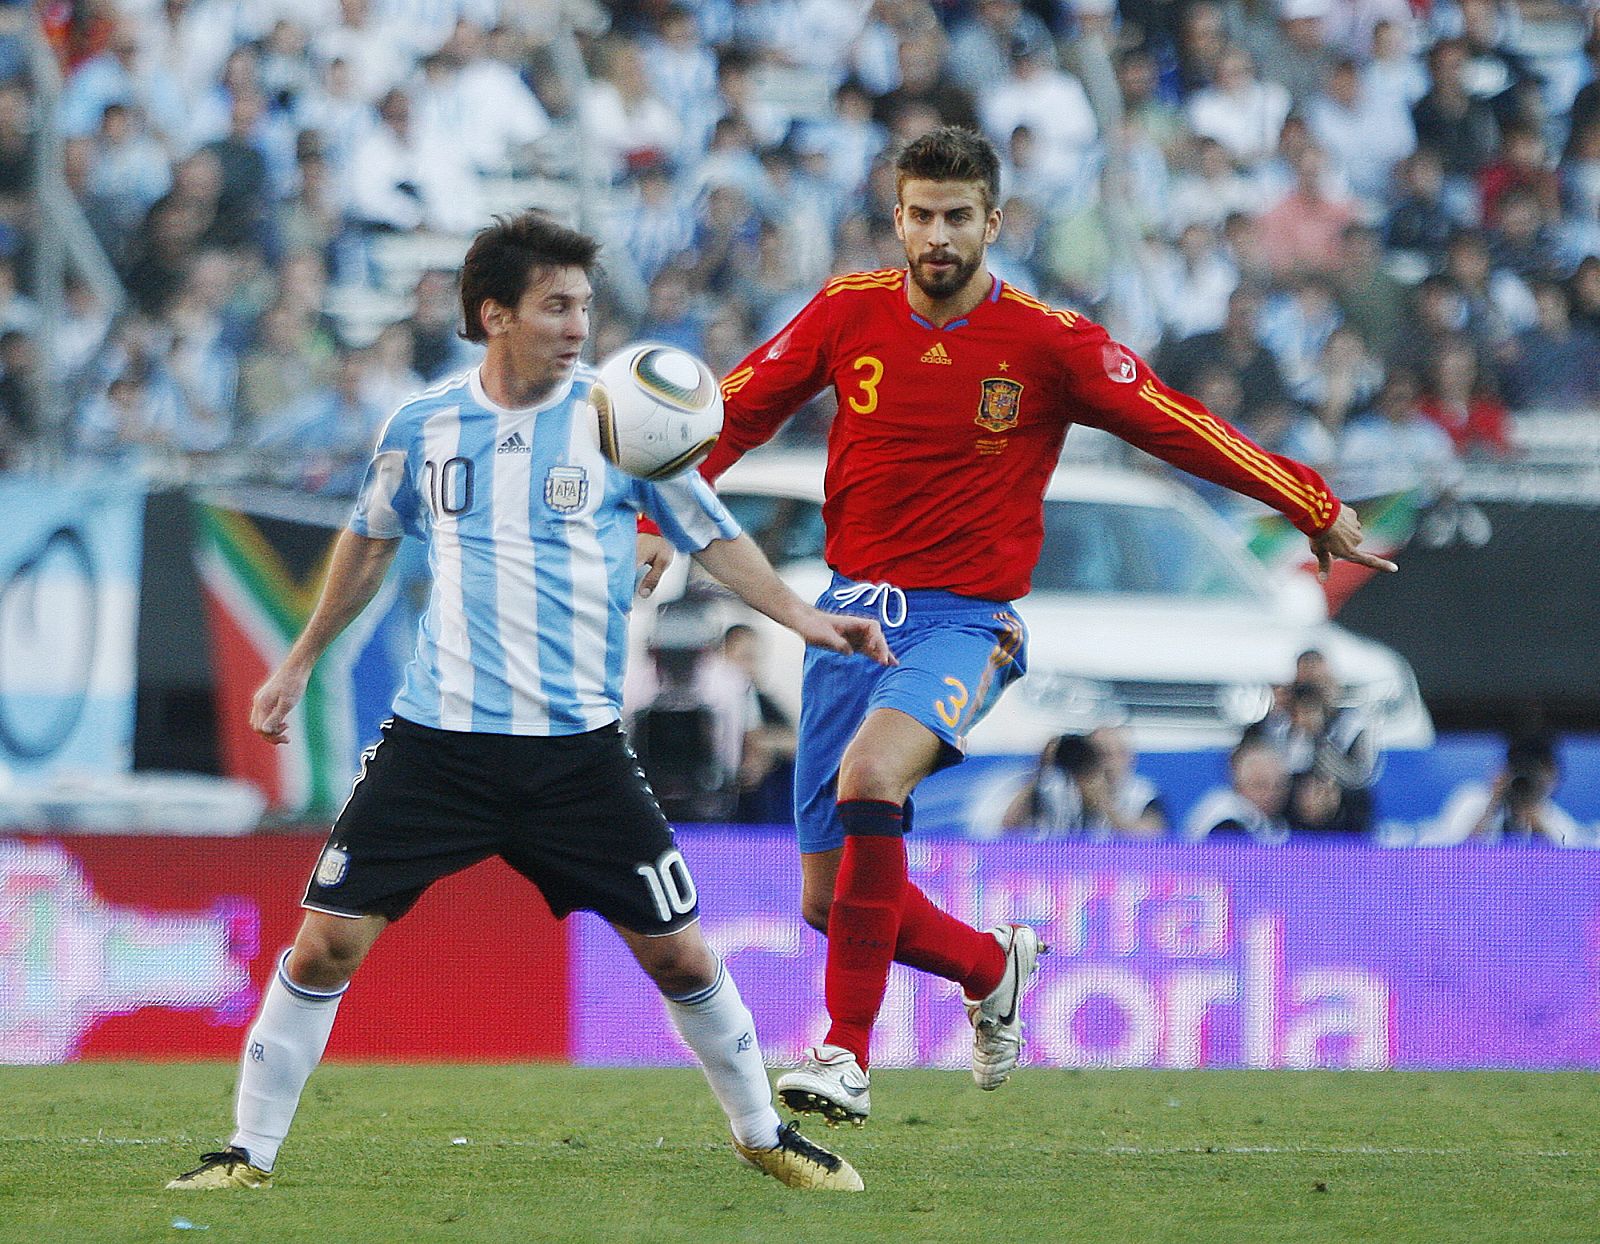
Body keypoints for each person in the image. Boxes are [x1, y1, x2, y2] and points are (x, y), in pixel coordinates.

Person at [643, 126, 1397, 1126]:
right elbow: (728, 414)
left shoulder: (1049, 342)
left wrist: (1309, 501)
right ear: (897, 216)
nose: (937, 234)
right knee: (829, 904)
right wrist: (658, 516)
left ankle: (843, 1052)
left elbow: (1177, 421)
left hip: (965, 623)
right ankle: (989, 963)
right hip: (844, 624)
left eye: (959, 216)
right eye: (920, 214)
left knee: (874, 777)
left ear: (993, 222)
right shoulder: (844, 312)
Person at [166, 212, 889, 1195]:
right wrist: (297, 660)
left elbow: (713, 535)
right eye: (556, 305)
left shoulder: (617, 423)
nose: (577, 325)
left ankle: (763, 1131)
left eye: (584, 305)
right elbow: (370, 541)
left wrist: (804, 617)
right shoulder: (423, 426)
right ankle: (245, 1153)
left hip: (576, 752)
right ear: (492, 314)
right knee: (324, 938)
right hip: (437, 745)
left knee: (679, 953)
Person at [1433, 735, 1586, 846]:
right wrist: (1493, 804)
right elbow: (1454, 855)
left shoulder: (1553, 817)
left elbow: (1564, 863)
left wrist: (1531, 814)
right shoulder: (1471, 799)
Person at [1184, 739, 1292, 843]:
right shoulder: (1226, 823)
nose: (1271, 794)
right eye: (1260, 785)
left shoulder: (1276, 819)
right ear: (1238, 785)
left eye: (1279, 786)